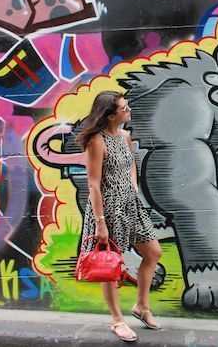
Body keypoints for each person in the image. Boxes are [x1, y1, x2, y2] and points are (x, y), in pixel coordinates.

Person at [77, 90, 163, 342]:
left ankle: (141, 306)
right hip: (107, 209)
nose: (129, 111)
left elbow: (131, 164)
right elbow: (93, 184)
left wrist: (133, 186)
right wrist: (100, 222)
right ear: (110, 115)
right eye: (124, 108)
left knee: (153, 252)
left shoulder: (125, 136)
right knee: (110, 266)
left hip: (130, 204)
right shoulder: (97, 141)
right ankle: (117, 319)